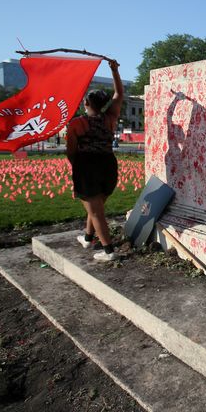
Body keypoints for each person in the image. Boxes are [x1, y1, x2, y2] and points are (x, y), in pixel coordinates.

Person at [67, 58, 123, 261]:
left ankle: (109, 252)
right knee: (96, 205)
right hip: (108, 164)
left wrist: (77, 167)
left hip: (87, 166)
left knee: (96, 211)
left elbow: (71, 151)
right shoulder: (110, 118)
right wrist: (115, 71)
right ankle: (88, 238)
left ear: (86, 103)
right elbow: (119, 94)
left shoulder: (76, 124)